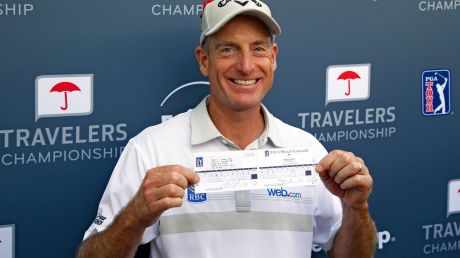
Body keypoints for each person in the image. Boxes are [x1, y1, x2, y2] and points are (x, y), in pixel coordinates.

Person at [77, 1, 376, 257]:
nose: (246, 66)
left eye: (258, 49)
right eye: (228, 50)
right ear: (204, 60)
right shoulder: (151, 149)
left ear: (273, 58)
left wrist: (356, 209)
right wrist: (134, 216)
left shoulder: (308, 150)